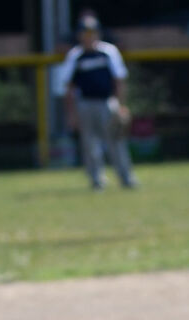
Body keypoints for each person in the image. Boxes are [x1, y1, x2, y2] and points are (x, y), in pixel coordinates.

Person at [56, 15, 138, 190]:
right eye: (85, 32)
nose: (89, 36)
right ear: (79, 35)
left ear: (98, 33)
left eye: (92, 32)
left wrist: (121, 105)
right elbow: (69, 87)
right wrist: (71, 114)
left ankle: (126, 178)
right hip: (85, 103)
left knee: (116, 141)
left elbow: (119, 80)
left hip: (107, 102)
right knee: (89, 144)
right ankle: (96, 180)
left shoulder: (109, 51)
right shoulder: (75, 56)